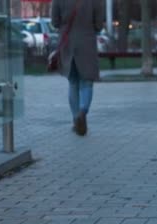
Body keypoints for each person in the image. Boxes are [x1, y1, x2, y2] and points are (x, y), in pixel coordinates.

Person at [51, 0, 103, 136]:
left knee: (73, 82)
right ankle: (82, 112)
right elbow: (99, 25)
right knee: (87, 81)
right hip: (87, 42)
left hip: (67, 43)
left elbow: (55, 22)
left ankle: (75, 120)